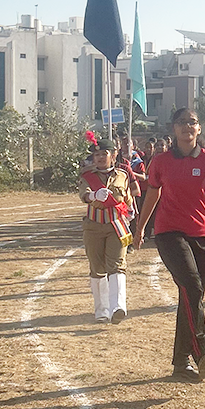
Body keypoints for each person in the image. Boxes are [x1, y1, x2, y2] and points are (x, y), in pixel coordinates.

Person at [133, 108, 205, 382]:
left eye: (192, 122)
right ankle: (201, 350)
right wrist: (140, 229)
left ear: (199, 128)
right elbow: (152, 195)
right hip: (169, 233)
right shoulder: (160, 162)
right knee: (192, 286)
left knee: (190, 295)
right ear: (173, 128)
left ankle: (180, 362)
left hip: (203, 235)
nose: (187, 127)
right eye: (182, 123)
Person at [79, 133, 133, 323]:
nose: (101, 157)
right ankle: (101, 310)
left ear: (114, 154)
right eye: (97, 155)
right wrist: (94, 195)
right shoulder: (87, 176)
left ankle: (118, 306)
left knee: (117, 265)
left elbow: (127, 197)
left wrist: (131, 211)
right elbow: (84, 195)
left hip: (116, 227)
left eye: (105, 153)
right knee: (97, 268)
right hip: (93, 227)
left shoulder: (123, 175)